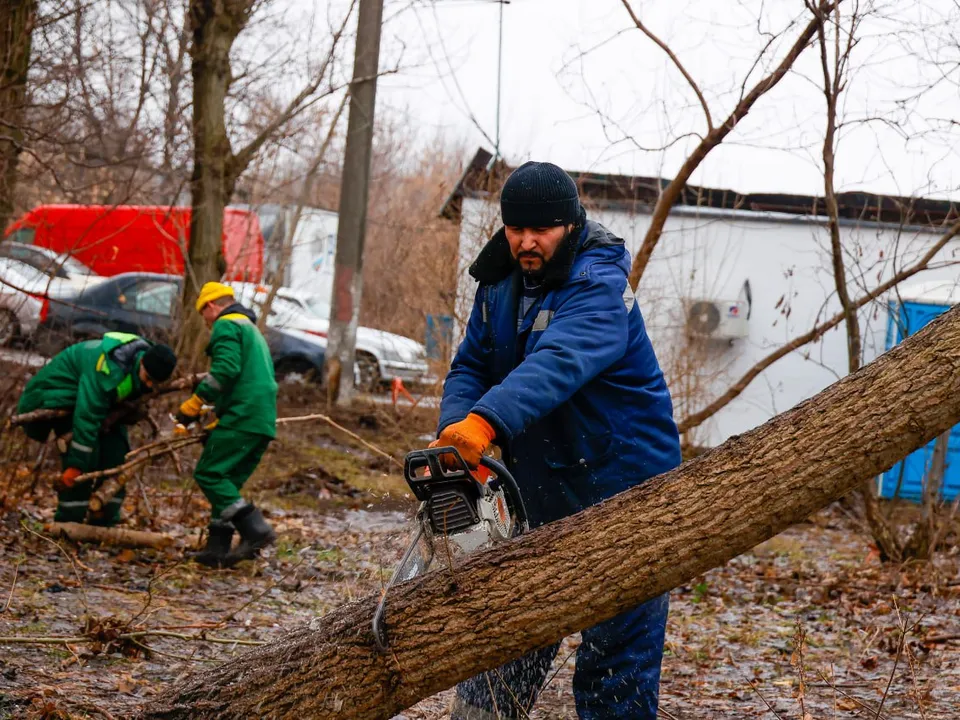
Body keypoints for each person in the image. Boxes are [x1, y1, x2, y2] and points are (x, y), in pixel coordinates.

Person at [435, 161, 682, 719]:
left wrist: (487, 422)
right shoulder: (498, 283)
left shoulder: (599, 285)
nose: (526, 242)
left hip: (626, 497)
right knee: (505, 645)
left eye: (540, 230)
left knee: (612, 670)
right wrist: (457, 431)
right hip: (543, 491)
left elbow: (558, 362)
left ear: (569, 225)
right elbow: (471, 364)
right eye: (515, 229)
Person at [17, 332, 178, 526]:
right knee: (87, 456)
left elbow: (121, 400)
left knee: (117, 453)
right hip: (58, 398)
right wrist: (76, 466)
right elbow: (87, 418)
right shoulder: (106, 369)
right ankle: (69, 523)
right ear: (142, 362)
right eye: (148, 378)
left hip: (98, 406)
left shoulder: (137, 364)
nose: (149, 385)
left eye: (155, 383)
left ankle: (104, 518)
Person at [176, 282, 278, 568]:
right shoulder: (250, 329)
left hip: (243, 416)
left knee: (209, 474)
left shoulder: (226, 324)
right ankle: (217, 549)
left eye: (203, 315)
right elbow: (246, 379)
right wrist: (219, 417)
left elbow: (225, 370)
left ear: (211, 306)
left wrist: (194, 404)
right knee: (227, 481)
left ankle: (256, 530)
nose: (206, 323)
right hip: (260, 419)